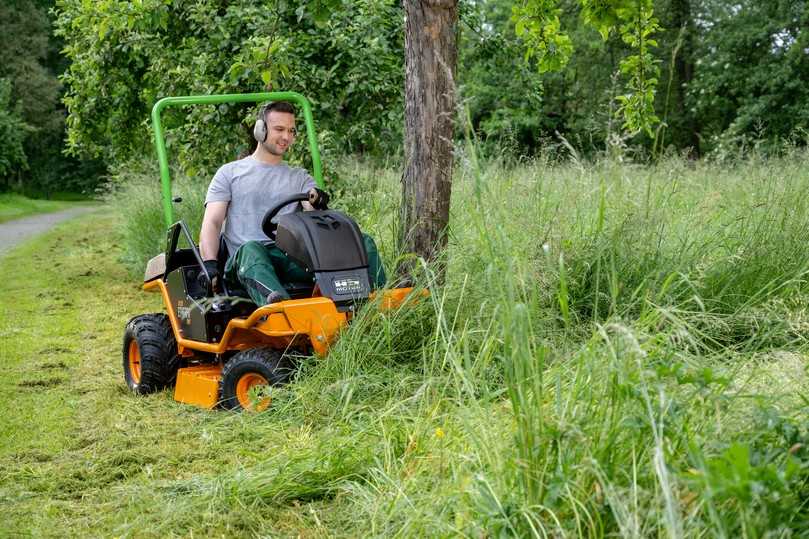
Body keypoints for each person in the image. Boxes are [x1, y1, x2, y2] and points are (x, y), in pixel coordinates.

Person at [198, 101, 386, 305]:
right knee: (251, 249)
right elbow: (212, 223)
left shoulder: (300, 177)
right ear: (261, 130)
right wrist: (210, 264)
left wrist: (317, 201)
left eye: (291, 131)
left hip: (291, 257)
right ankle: (280, 308)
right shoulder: (229, 173)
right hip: (246, 262)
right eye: (279, 129)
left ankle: (383, 300)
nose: (286, 137)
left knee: (362, 241)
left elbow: (313, 211)